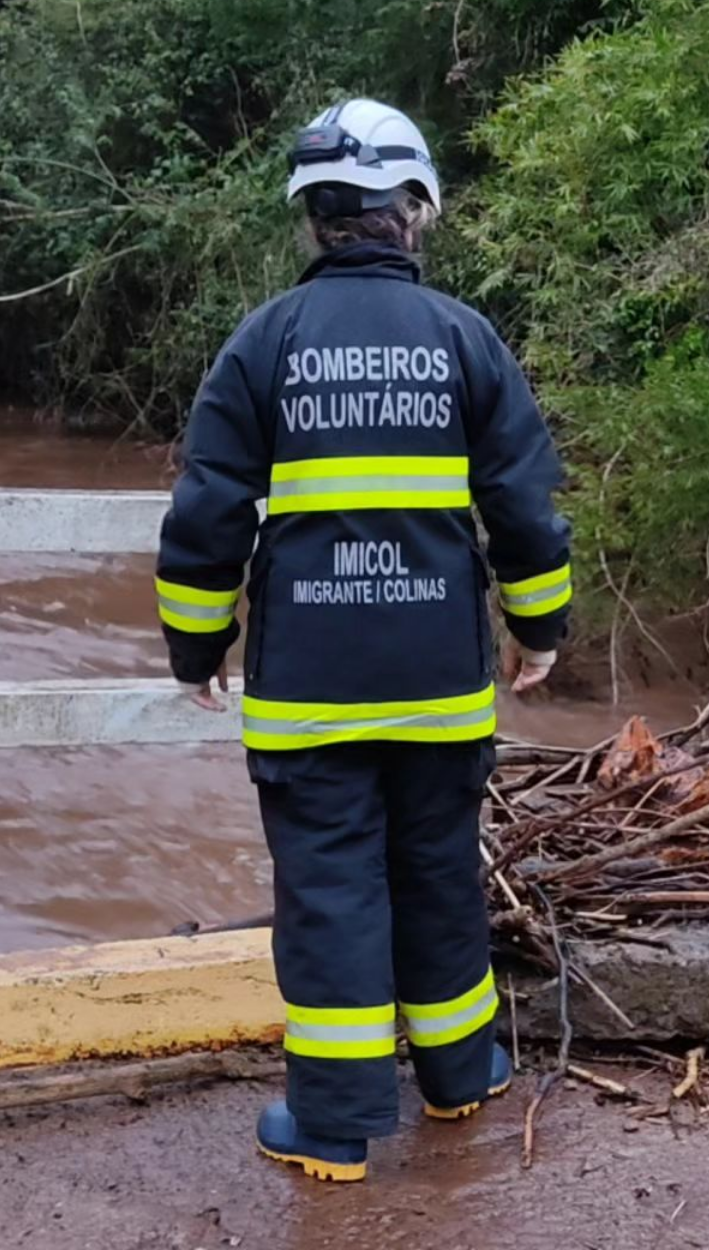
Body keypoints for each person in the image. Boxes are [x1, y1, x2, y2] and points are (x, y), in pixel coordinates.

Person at [155, 98, 572, 1183]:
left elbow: (206, 517)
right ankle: (460, 1074)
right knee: (438, 874)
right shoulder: (466, 339)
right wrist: (540, 631)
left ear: (311, 219)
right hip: (439, 686)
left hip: (312, 692)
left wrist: (195, 648)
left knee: (331, 889)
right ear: (415, 211)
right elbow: (524, 508)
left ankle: (334, 1125)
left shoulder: (263, 344)